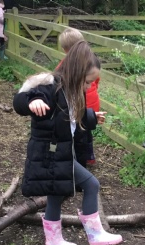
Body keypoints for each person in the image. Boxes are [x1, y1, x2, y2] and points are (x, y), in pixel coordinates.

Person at [13, 40, 123, 245]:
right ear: (76, 73)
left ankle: (53, 239)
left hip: (61, 153)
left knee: (56, 194)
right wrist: (32, 102)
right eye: (88, 82)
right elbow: (20, 100)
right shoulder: (51, 87)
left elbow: (70, 118)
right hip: (50, 155)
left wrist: (91, 117)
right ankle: (95, 233)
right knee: (91, 184)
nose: (89, 87)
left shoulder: (72, 91)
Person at [57, 27, 99, 167]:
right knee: (86, 133)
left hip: (81, 108)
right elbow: (97, 80)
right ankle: (88, 158)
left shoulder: (66, 65)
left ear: (65, 50)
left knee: (80, 133)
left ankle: (80, 159)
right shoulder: (91, 62)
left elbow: (57, 79)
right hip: (89, 106)